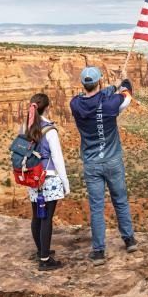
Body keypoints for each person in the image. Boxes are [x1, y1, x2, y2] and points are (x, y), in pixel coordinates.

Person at [70, 67, 137, 265]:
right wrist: (123, 82)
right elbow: (127, 95)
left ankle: (99, 252)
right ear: (100, 82)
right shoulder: (111, 105)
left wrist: (109, 88)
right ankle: (129, 240)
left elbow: (93, 98)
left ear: (83, 84)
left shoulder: (75, 104)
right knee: (120, 200)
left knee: (97, 207)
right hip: (113, 161)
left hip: (92, 163)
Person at [23, 93, 70, 271]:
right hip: (48, 178)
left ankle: (40, 250)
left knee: (37, 215)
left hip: (33, 178)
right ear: (46, 107)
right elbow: (57, 159)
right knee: (47, 218)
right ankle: (44, 259)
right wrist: (65, 183)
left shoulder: (26, 127)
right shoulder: (49, 130)